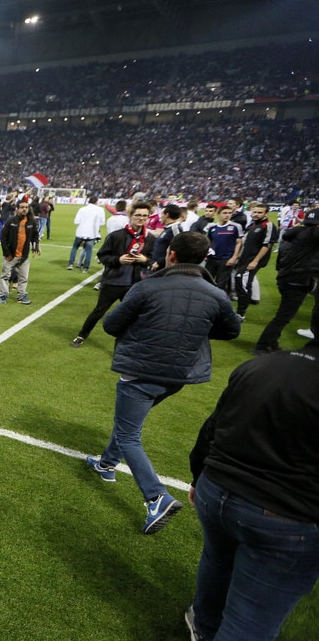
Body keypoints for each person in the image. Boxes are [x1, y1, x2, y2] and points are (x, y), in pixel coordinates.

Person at [85, 232, 242, 534]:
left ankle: (157, 497)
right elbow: (231, 330)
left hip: (141, 371)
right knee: (129, 422)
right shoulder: (215, 293)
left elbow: (111, 324)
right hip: (179, 375)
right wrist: (194, 329)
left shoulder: (148, 286)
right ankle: (106, 463)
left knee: (129, 434)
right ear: (203, 259)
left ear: (171, 255)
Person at [185, 338, 319, 641]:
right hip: (287, 516)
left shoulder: (262, 365)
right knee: (250, 622)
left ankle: (203, 627)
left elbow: (212, 427)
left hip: (215, 491)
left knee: (217, 561)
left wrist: (198, 476)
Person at [71, 203, 154, 347]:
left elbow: (154, 260)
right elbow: (102, 256)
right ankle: (81, 335)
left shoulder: (149, 238)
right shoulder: (116, 236)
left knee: (133, 315)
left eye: (145, 216)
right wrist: (118, 260)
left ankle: (130, 342)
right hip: (113, 282)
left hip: (134, 284)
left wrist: (145, 260)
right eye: (138, 215)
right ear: (130, 216)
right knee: (98, 311)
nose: (141, 218)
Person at [252, 208, 319, 356]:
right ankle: (262, 345)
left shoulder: (293, 235)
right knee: (283, 316)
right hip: (297, 281)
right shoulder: (312, 236)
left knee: (284, 315)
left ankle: (272, 343)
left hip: (286, 278)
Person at [233, 202, 277, 320]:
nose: (256, 214)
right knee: (241, 282)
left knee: (242, 283)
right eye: (255, 212)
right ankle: (240, 311)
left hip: (252, 261)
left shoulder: (268, 225)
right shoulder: (253, 225)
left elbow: (267, 245)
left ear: (266, 213)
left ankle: (240, 314)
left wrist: (255, 261)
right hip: (244, 259)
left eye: (259, 212)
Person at [0, 200, 41, 305]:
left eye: (26, 207)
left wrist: (35, 247)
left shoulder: (31, 222)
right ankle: (3, 295)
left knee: (24, 278)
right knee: (5, 276)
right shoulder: (11, 221)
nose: (24, 209)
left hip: (24, 256)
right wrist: (7, 253)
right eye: (22, 207)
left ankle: (21, 297)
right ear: (17, 209)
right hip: (11, 255)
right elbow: (3, 237)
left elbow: (35, 236)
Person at [204, 206, 244, 294]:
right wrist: (206, 254)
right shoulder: (212, 227)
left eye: (230, 213)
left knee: (221, 284)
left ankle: (219, 300)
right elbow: (208, 242)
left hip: (226, 259)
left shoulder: (236, 226)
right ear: (218, 214)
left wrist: (234, 257)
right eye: (225, 213)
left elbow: (239, 243)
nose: (227, 215)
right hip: (211, 259)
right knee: (207, 281)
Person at [68, 195, 105, 272]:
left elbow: (76, 221)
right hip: (92, 233)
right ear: (96, 202)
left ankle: (70, 264)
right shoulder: (100, 210)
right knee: (89, 251)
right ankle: (85, 268)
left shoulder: (82, 209)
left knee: (75, 248)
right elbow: (102, 223)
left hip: (80, 232)